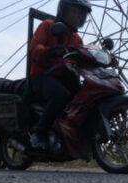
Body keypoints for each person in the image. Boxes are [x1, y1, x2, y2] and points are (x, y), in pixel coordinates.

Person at [29, 0, 91, 149]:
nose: (77, 16)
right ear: (63, 10)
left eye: (80, 13)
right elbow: (35, 48)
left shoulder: (76, 38)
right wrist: (51, 51)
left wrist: (102, 60)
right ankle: (40, 134)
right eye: (74, 11)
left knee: (86, 97)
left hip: (64, 78)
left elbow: (83, 59)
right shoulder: (48, 26)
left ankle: (73, 134)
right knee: (60, 95)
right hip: (41, 76)